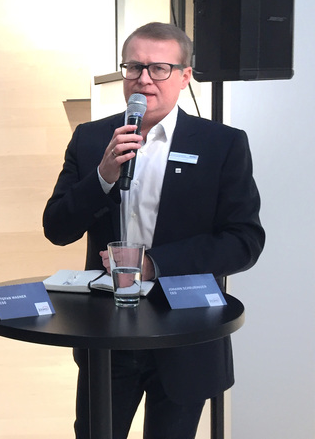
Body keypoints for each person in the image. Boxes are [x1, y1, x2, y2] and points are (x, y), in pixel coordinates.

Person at [43, 22, 265, 439]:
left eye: (159, 68)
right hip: (106, 334)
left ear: (185, 75)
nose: (144, 79)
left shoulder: (222, 144)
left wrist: (153, 265)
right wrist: (103, 177)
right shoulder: (93, 139)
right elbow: (56, 228)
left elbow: (245, 241)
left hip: (185, 333)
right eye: (134, 67)